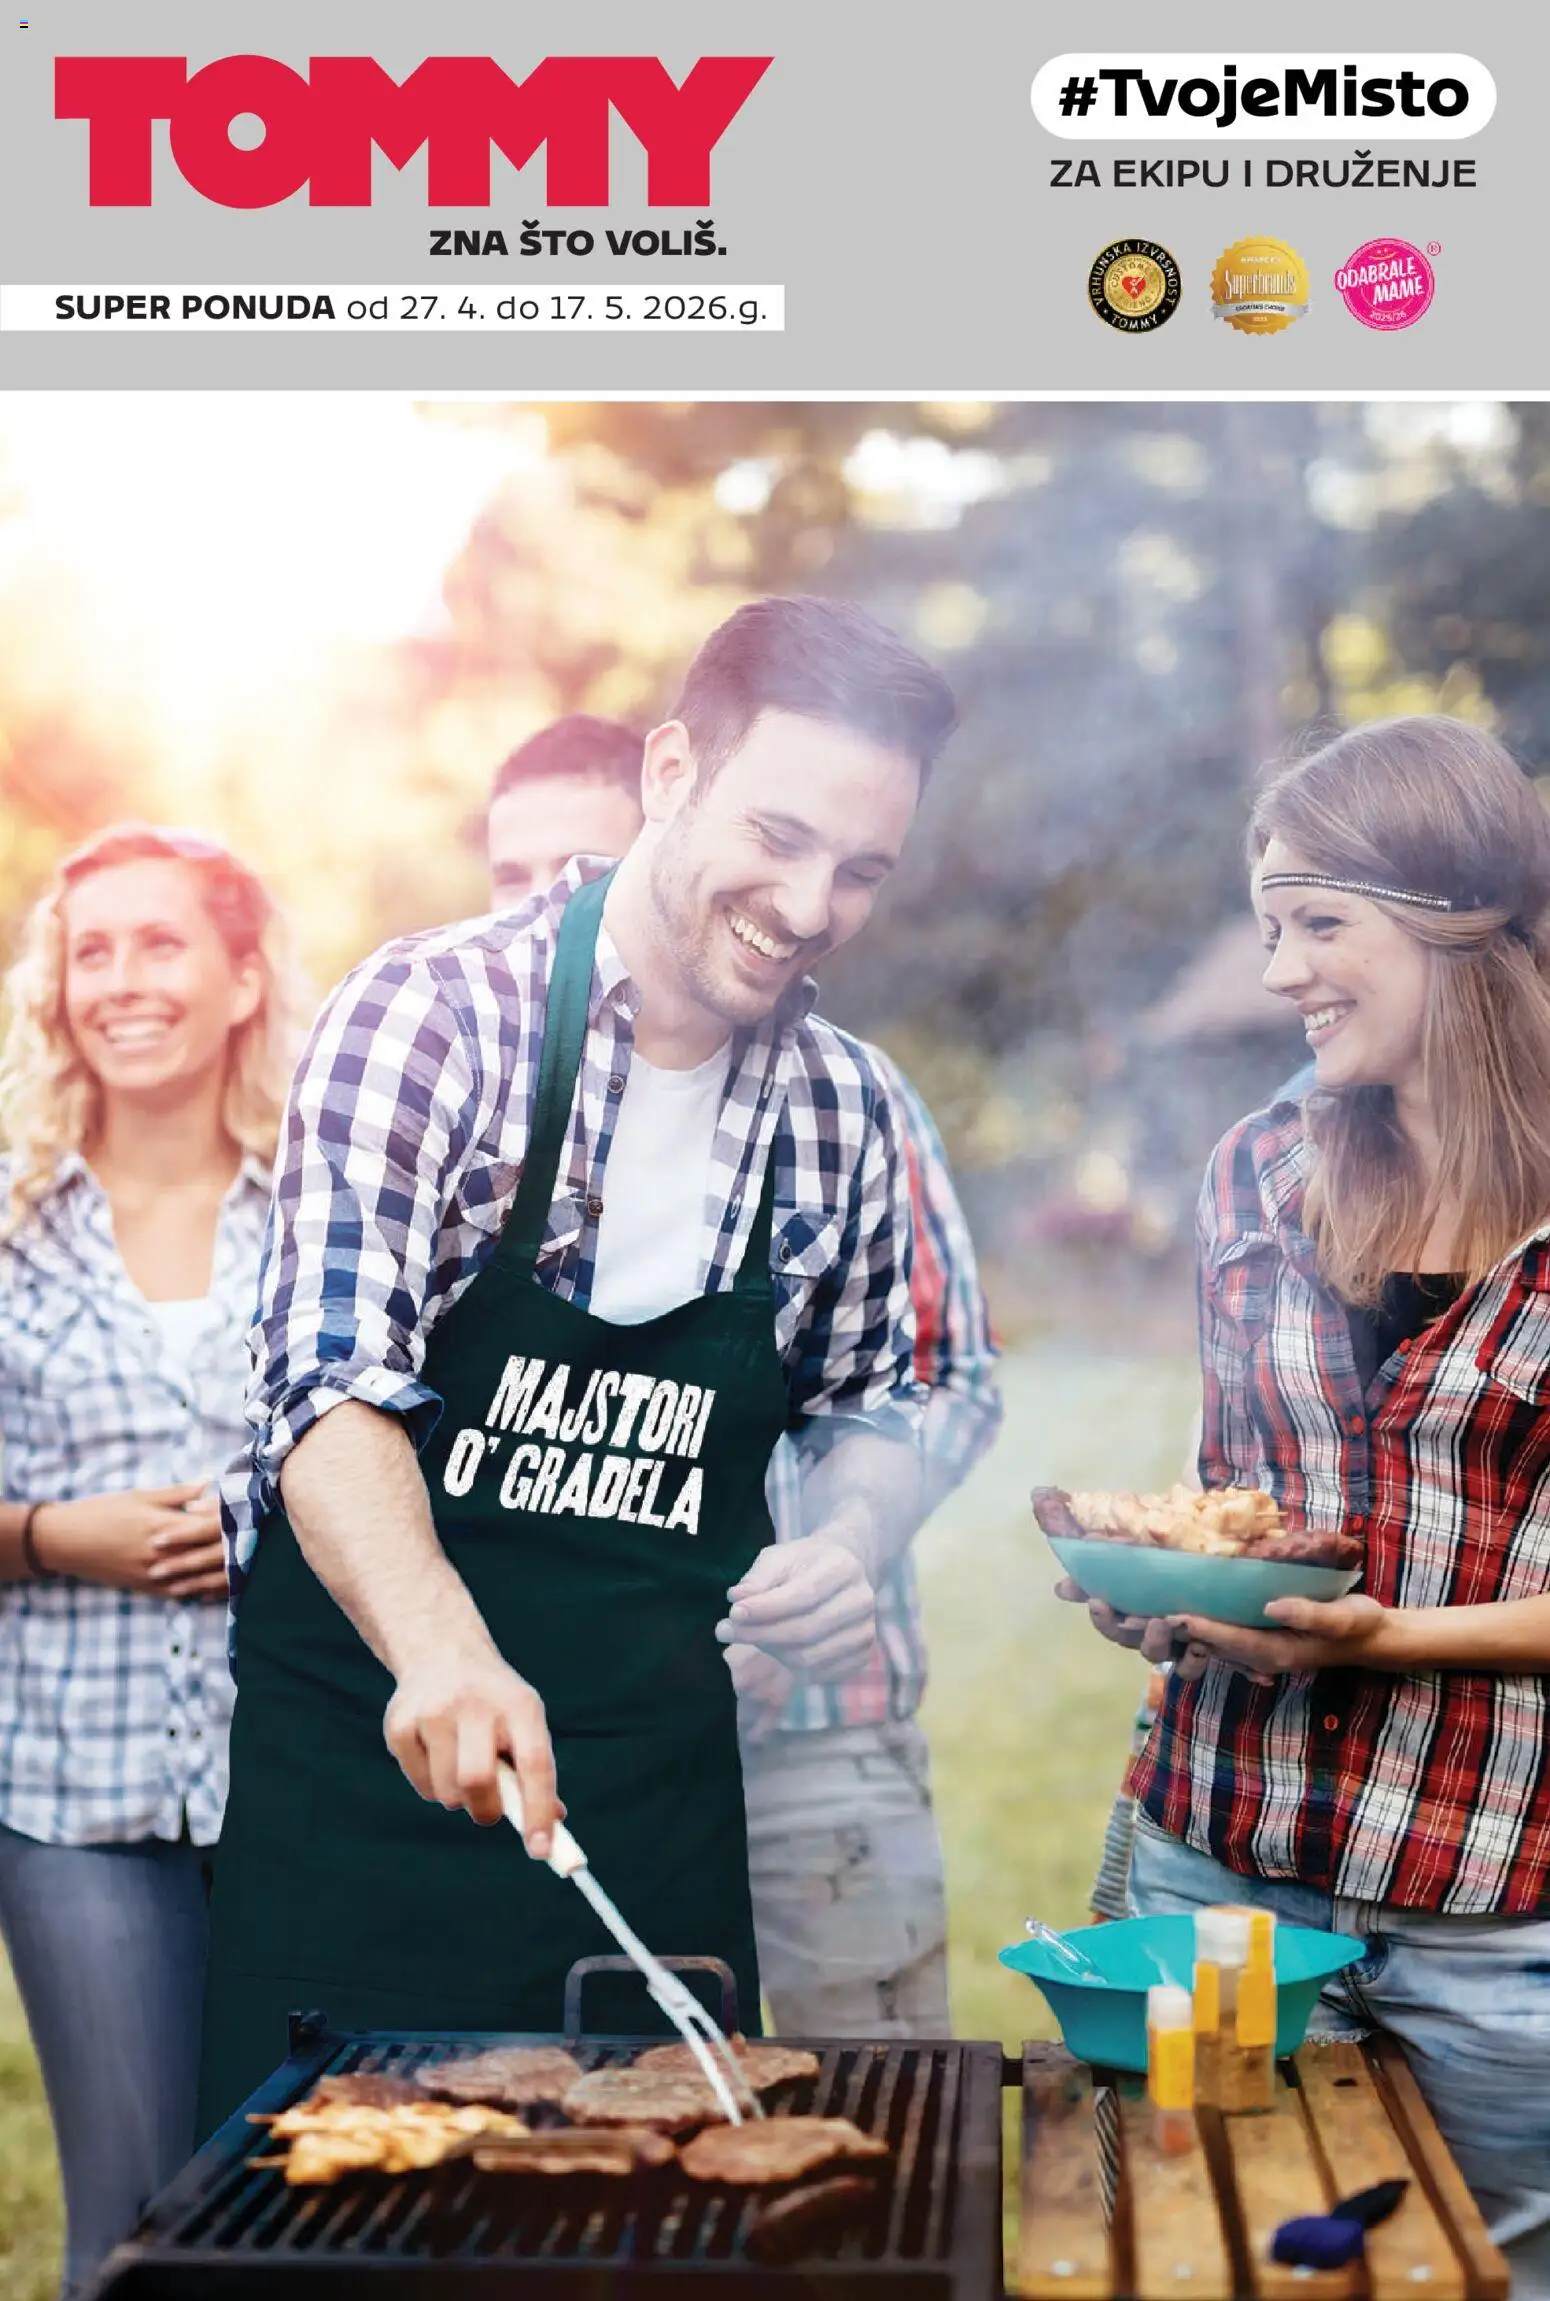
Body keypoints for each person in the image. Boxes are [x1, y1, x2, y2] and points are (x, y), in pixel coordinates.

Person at [200, 596, 958, 2129]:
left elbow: (885, 1392)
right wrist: (444, 1648)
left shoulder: (848, 1108)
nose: (810, 905)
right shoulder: (425, 1018)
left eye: (861, 870)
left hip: (655, 1816)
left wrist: (855, 1538)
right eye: (782, 835)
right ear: (672, 769)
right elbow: (328, 1385)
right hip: (371, 1788)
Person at [1058, 717, 1550, 2249]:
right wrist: (1167, 1599)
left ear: (1453, 925)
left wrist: (1387, 1638)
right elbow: (1240, 1499)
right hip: (1213, 1876)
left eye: (1317, 923)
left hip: (1488, 1925)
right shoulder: (1251, 1172)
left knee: (1487, 2275)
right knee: (1194, 2252)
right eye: (1269, 926)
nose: (1278, 972)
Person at [483, 715, 1002, 2034]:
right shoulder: (475, 1084)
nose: (552, 900)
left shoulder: (850, 1105)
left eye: (579, 862)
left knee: (859, 2133)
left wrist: (834, 1546)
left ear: (668, 825)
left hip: (814, 1749)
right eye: (514, 874)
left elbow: (938, 1380)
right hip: (553, 1745)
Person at [0, 824, 300, 2293]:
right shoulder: (4, 1222)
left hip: (303, 1793)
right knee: (134, 2231)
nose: (119, 981)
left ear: (243, 979)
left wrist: (267, 1523)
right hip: (77, 1804)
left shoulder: (323, 1211)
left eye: (159, 943)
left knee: (317, 2201)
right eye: (90, 949)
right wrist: (59, 1535)